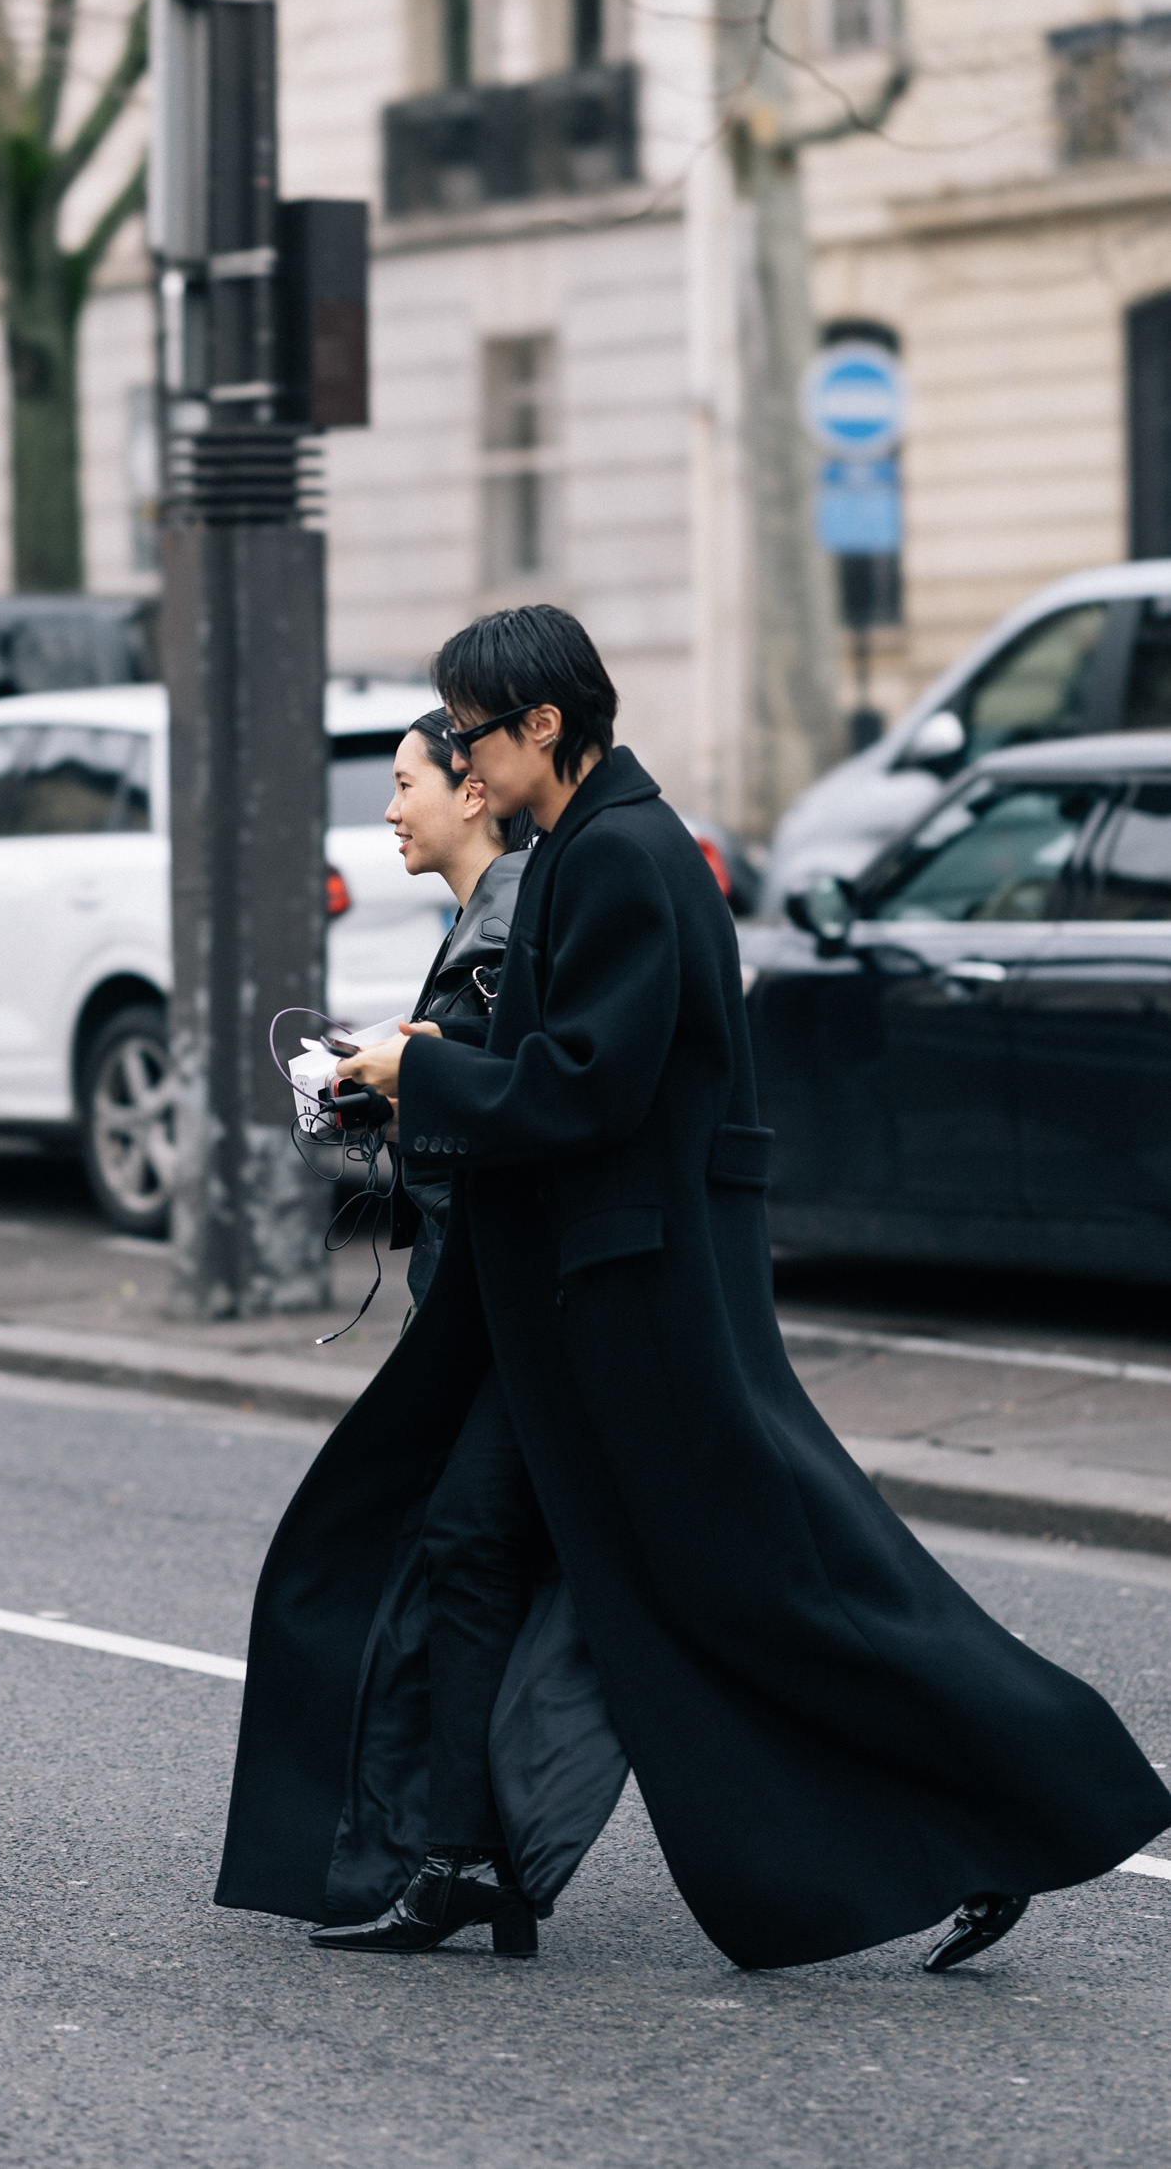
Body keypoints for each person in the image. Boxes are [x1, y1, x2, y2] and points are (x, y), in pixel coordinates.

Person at [215, 603, 1171, 1973]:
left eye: (473, 739)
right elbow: (571, 1068)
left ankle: (1029, 1798)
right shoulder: (582, 849)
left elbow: (585, 1092)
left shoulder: (621, 856)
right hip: (574, 1302)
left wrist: (417, 1070)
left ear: (545, 725)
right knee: (472, 1544)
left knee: (782, 1592)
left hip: (640, 1311)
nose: (462, 769)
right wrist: (431, 1060)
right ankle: (457, 1859)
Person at [383, 710, 532, 1314]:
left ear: (472, 793)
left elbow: (510, 1118)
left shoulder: (502, 940)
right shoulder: (492, 918)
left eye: (404, 785)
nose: (392, 811)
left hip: (479, 1288)